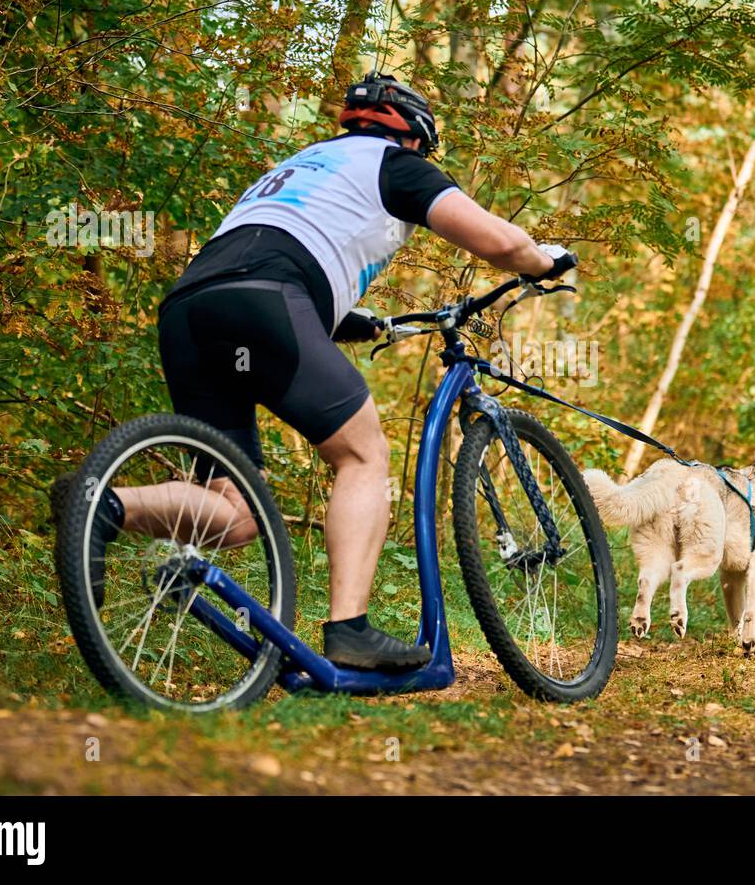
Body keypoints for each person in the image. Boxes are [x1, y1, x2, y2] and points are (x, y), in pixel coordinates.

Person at [52, 72, 575, 671]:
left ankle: (103, 504)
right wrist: (543, 260)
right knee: (361, 456)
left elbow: (280, 244)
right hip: (266, 299)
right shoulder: (394, 165)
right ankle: (349, 629)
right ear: (414, 135)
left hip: (190, 311)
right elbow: (500, 243)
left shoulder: (298, 167)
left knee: (238, 510)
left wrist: (345, 316)